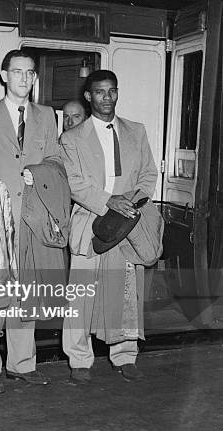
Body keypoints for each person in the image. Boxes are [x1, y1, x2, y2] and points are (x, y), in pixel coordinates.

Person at [0, 50, 66, 394]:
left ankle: (22, 364)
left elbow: (56, 161)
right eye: (17, 72)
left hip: (30, 218)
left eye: (30, 73)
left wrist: (38, 173)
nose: (24, 79)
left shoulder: (45, 117)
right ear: (3, 75)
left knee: (24, 290)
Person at [60, 69, 158, 384]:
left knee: (126, 291)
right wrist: (108, 202)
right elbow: (74, 183)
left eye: (112, 91)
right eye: (100, 92)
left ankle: (125, 355)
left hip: (127, 221)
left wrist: (130, 203)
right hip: (91, 221)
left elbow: (148, 175)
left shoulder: (136, 131)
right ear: (88, 96)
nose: (107, 97)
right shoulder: (72, 138)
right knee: (81, 293)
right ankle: (79, 359)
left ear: (117, 92)